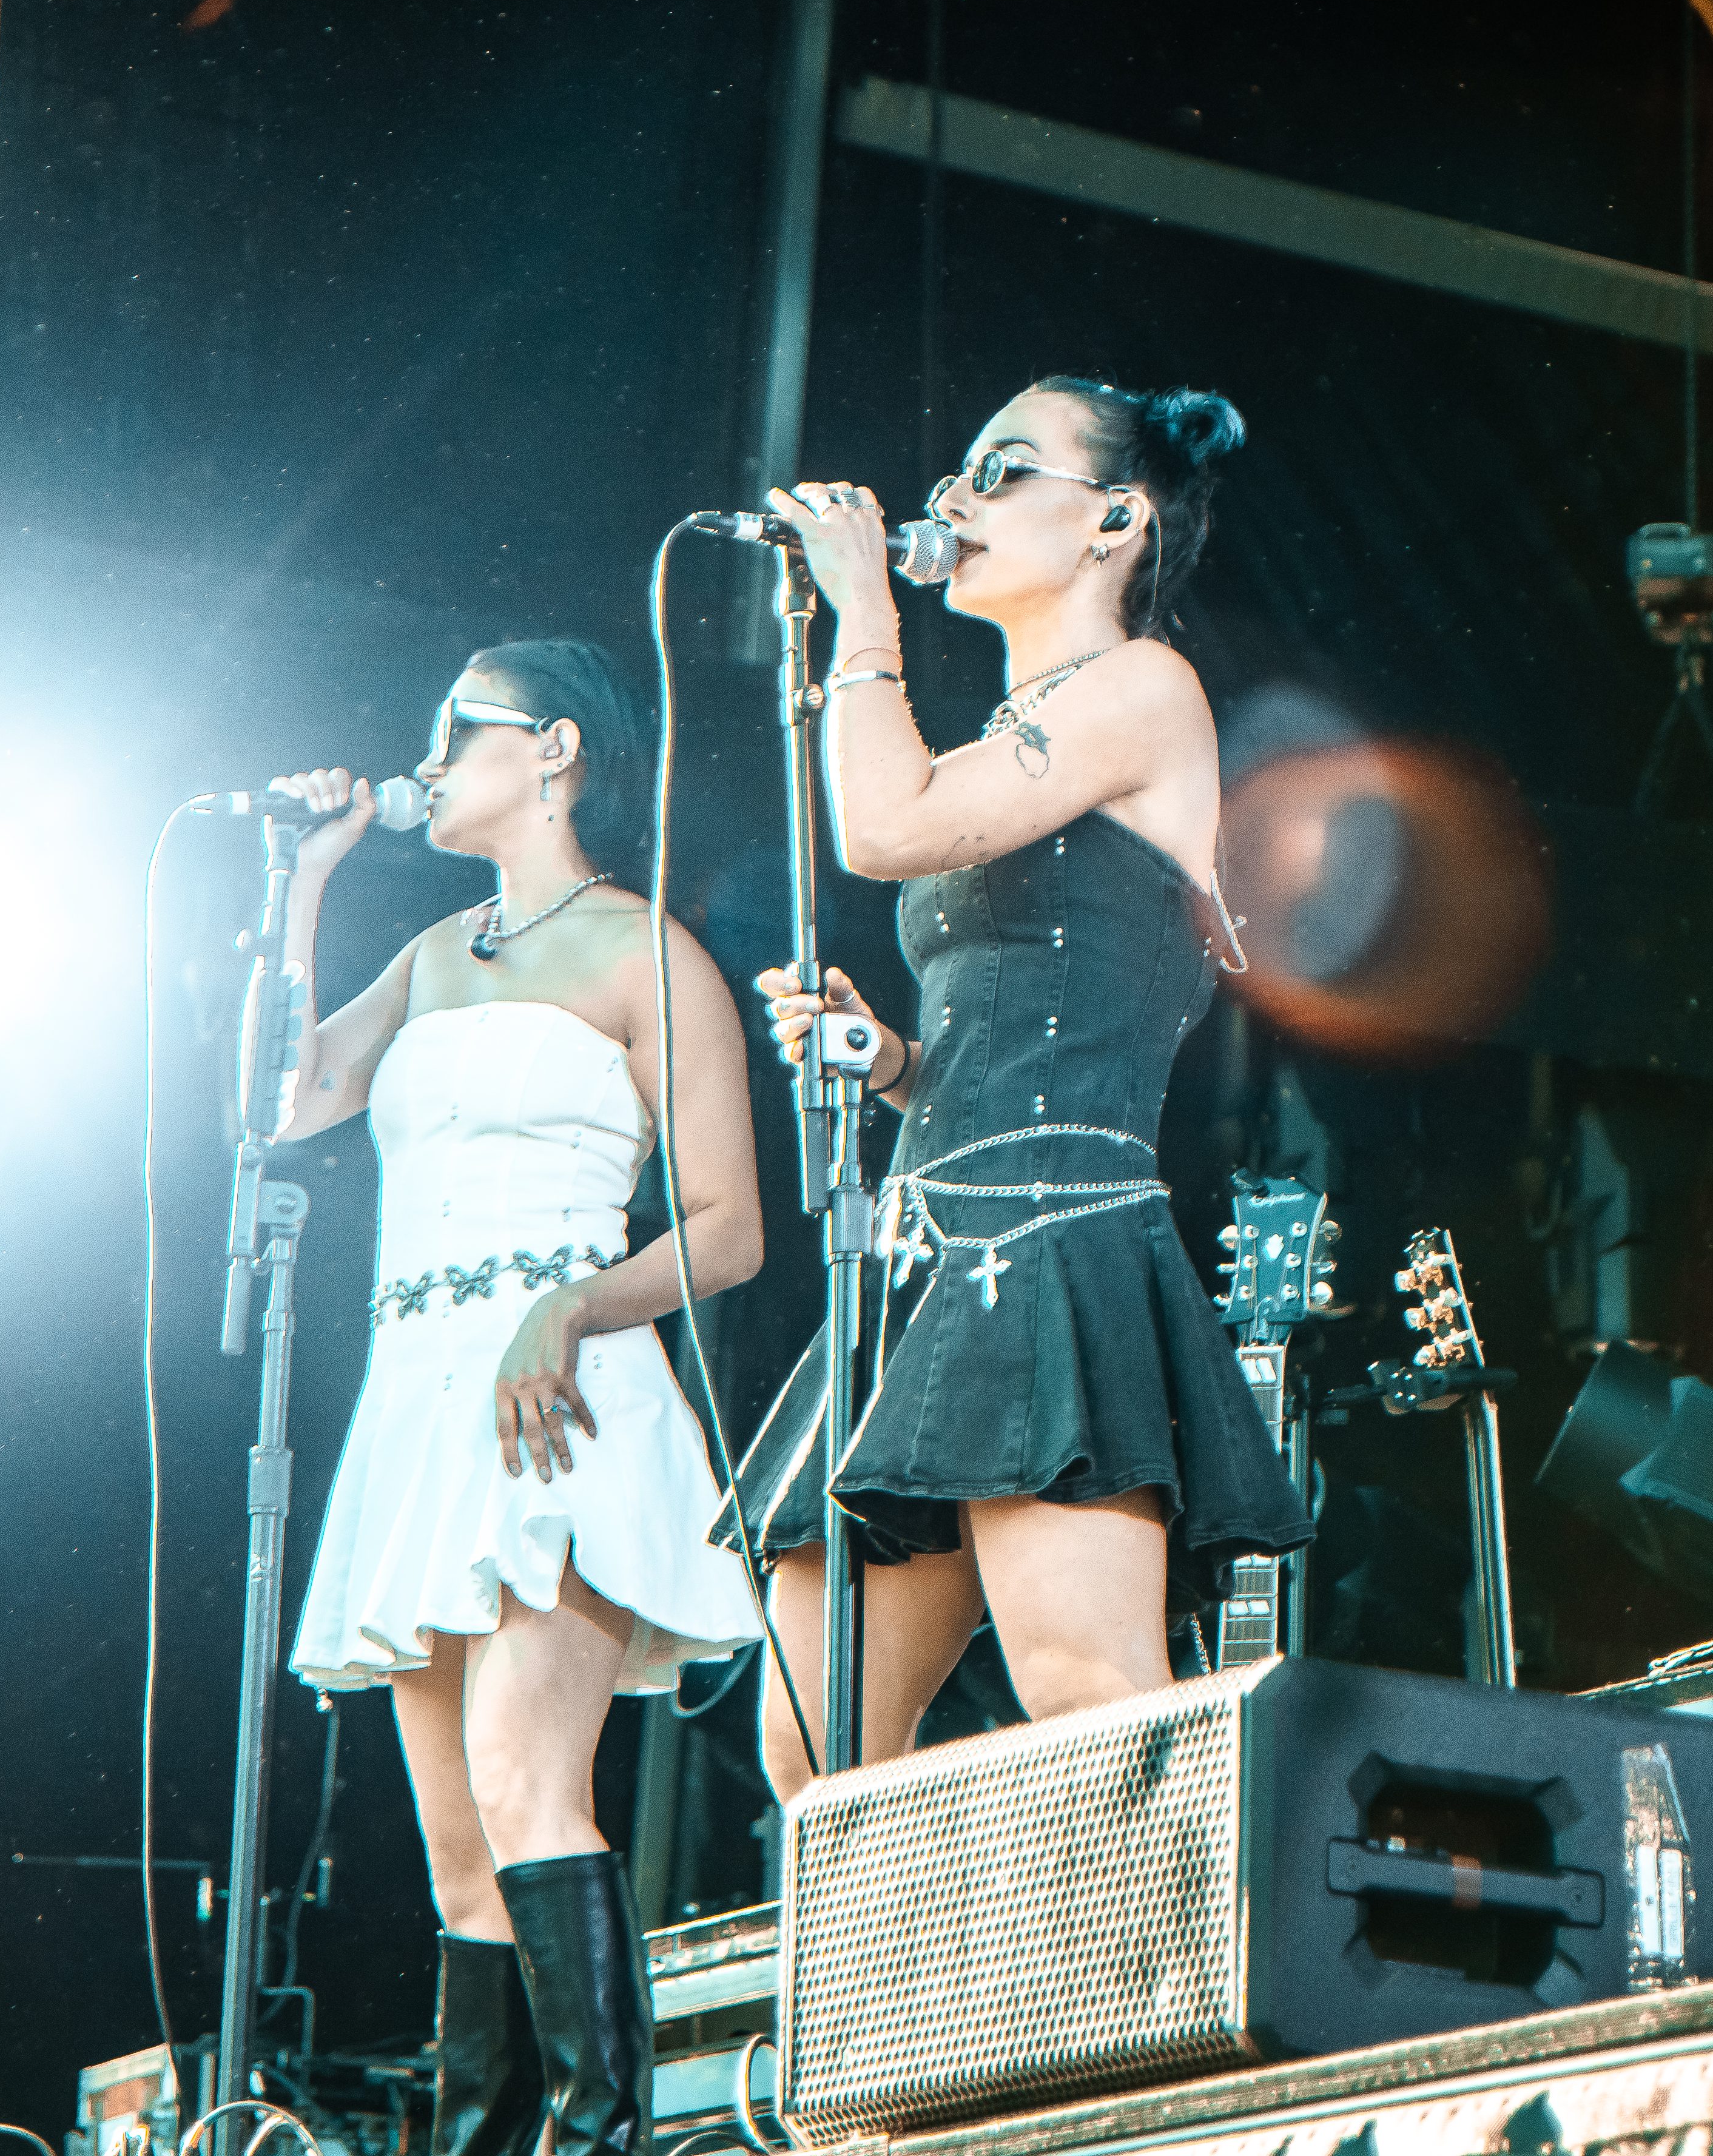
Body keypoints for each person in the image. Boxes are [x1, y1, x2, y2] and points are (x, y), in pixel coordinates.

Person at [729, 375, 1313, 1804]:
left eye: (998, 471)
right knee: (815, 1743)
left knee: (1092, 1698)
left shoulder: (1143, 687)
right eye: (956, 478)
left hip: (1052, 1242)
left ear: (1115, 516)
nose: (950, 504)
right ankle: (892, 2028)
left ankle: (1187, 2019)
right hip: (929, 1256)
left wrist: (863, 611)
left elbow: (883, 826)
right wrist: (898, 1063)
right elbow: (1019, 1014)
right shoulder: (1024, 734)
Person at [273, 638, 766, 2156]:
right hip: (421, 1399)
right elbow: (284, 1103)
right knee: (455, 1858)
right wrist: (301, 888)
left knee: (525, 1782)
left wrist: (569, 1304)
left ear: (551, 749)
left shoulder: (646, 950)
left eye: (456, 728)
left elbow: (731, 1227)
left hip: (562, 1387)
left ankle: (598, 2137)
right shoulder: (429, 953)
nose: (428, 755)